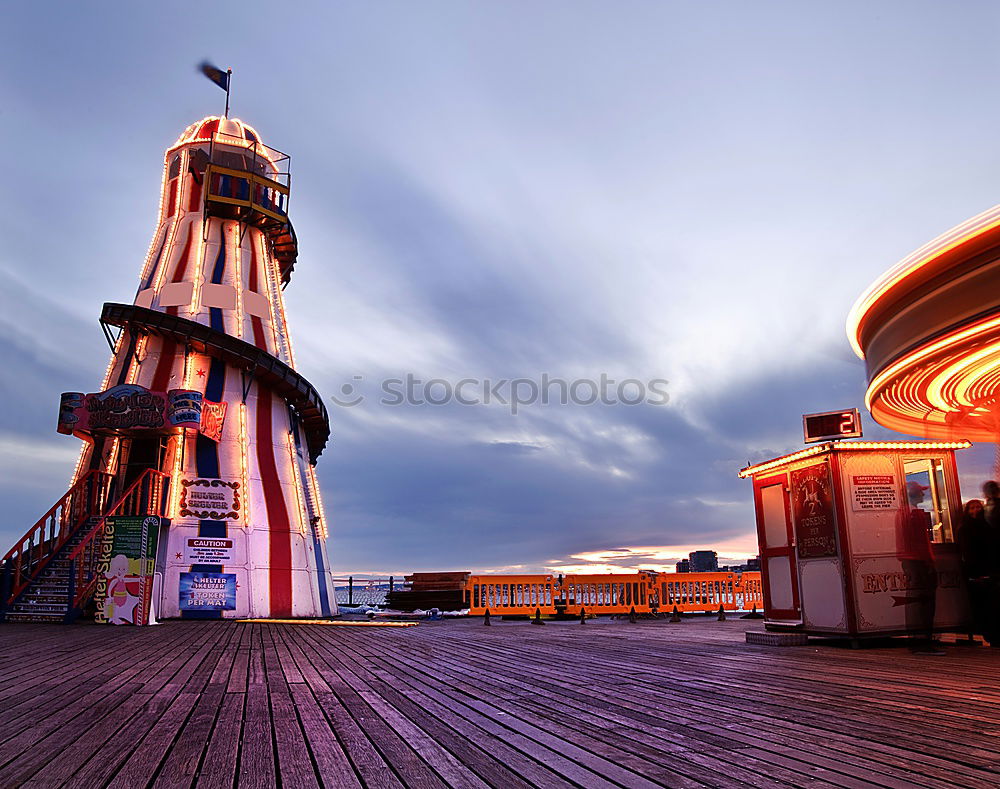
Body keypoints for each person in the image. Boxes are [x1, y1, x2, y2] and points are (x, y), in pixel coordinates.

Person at [902, 480, 942, 655]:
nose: (924, 494)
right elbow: (921, 542)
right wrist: (929, 562)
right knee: (925, 603)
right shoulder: (915, 514)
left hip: (911, 562)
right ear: (913, 494)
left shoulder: (902, 513)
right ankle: (924, 642)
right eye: (921, 492)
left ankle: (917, 641)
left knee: (916, 602)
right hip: (919, 563)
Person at [957, 499, 997, 644]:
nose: (976, 510)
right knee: (983, 605)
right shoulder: (966, 528)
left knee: (989, 604)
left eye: (978, 507)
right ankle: (990, 634)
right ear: (967, 511)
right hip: (977, 572)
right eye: (972, 508)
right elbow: (969, 553)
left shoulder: (985, 525)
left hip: (987, 570)